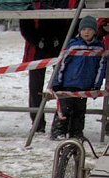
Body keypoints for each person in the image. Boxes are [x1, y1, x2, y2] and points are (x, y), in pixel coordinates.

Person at [50, 16, 107, 140]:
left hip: (85, 86)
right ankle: (58, 131)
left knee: (79, 111)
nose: (86, 32)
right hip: (68, 84)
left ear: (95, 31)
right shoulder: (72, 46)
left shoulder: (100, 48)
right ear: (80, 31)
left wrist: (96, 86)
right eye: (84, 29)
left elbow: (101, 68)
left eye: (90, 29)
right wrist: (57, 82)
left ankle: (76, 133)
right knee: (65, 109)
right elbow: (62, 65)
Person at [20, 0, 73, 133]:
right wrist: (37, 41)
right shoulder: (32, 5)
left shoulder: (67, 3)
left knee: (62, 86)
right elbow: (25, 25)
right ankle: (37, 122)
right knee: (35, 88)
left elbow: (70, 25)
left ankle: (61, 121)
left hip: (59, 48)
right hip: (36, 50)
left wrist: (60, 41)